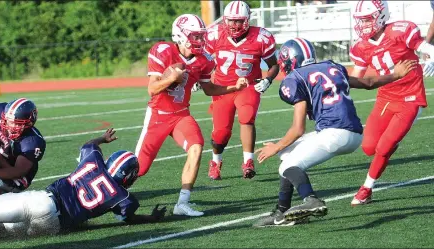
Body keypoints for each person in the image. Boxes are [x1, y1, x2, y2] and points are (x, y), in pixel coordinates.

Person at [252, 38, 416, 227]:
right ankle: (281, 212)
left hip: (334, 133)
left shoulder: (295, 78)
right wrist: (395, 75)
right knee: (287, 153)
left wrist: (276, 146)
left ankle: (311, 200)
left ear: (291, 60)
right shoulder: (332, 67)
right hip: (353, 133)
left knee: (286, 165)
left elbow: (298, 129)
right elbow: (368, 82)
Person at [0, 128, 167, 249]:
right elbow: (128, 218)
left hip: (42, 199)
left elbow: (88, 144)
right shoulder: (124, 197)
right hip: (53, 225)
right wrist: (152, 217)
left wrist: (102, 139)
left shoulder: (93, 160)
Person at [135, 13, 248, 217]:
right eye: (195, 36)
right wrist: (172, 79)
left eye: (201, 36)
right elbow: (152, 90)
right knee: (139, 169)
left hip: (181, 115)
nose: (200, 40)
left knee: (196, 146)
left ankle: (182, 203)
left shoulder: (204, 60)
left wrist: (233, 87)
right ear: (180, 35)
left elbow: (209, 89)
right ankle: (110, 195)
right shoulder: (163, 51)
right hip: (158, 115)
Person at [349, 0, 434, 205]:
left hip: (410, 98)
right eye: (361, 21)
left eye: (368, 19)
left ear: (381, 15)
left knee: (384, 147)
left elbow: (427, 48)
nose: (364, 25)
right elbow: (356, 77)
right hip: (386, 98)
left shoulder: (400, 31)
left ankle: (366, 188)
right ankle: (388, 147)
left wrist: (431, 58)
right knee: (369, 148)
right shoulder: (361, 47)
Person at [202, 1, 280, 180]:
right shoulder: (214, 34)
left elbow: (273, 65)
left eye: (239, 21)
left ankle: (248, 162)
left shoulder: (261, 37)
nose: (234, 25)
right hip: (222, 88)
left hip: (248, 86)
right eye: (231, 21)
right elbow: (203, 61)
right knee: (221, 133)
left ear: (247, 20)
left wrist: (268, 79)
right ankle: (215, 161)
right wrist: (202, 78)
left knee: (247, 117)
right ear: (225, 20)